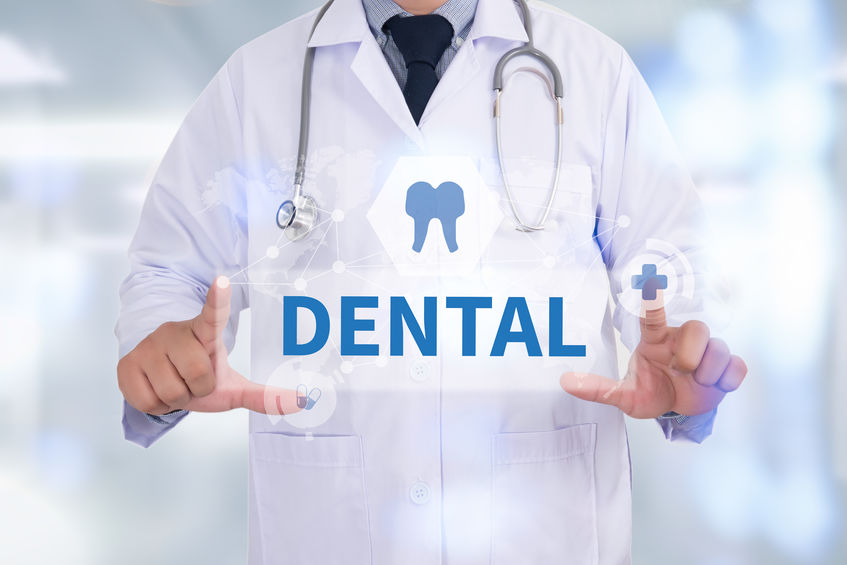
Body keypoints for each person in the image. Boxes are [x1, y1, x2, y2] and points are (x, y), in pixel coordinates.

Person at [115, 0, 747, 563]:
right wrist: (161, 357)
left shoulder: (593, 75)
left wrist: (684, 367)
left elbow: (673, 266)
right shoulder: (254, 84)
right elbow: (168, 272)